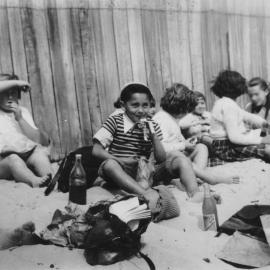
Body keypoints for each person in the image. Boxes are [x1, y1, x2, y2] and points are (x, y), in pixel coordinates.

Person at [92, 82, 220, 216]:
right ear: (124, 105)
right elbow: (96, 150)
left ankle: (194, 193)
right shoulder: (115, 121)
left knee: (177, 156)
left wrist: (154, 136)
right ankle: (145, 194)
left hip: (145, 171)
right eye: (135, 105)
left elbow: (161, 158)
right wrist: (120, 159)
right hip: (121, 168)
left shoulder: (151, 123)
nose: (141, 110)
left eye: (145, 105)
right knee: (110, 165)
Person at [153, 83, 239, 185]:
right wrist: (183, 145)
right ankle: (212, 179)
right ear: (179, 107)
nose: (186, 113)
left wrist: (186, 142)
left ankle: (197, 176)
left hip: (177, 160)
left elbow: (175, 139)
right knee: (183, 158)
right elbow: (160, 149)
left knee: (201, 147)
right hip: (165, 164)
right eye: (186, 110)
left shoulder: (171, 118)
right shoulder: (161, 119)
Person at [0, 74, 52, 187]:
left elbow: (36, 139)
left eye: (13, 92)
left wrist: (20, 118)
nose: (9, 97)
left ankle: (52, 178)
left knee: (39, 154)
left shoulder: (22, 111)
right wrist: (17, 83)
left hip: (25, 155)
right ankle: (33, 180)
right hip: (4, 161)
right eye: (5, 93)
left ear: (18, 95)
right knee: (13, 160)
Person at [209, 70, 270, 166]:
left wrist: (264, 124)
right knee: (265, 149)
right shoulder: (228, 105)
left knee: (261, 136)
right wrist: (262, 140)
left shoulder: (225, 102)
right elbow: (235, 138)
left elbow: (247, 116)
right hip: (226, 148)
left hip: (225, 144)